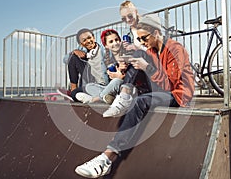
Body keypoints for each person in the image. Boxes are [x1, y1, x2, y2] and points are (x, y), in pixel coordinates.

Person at [74, 14, 195, 178]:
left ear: (156, 32)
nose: (143, 42)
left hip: (179, 94)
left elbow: (170, 85)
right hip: (159, 88)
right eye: (140, 39)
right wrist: (126, 67)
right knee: (138, 56)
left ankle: (106, 159)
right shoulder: (151, 51)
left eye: (144, 38)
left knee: (140, 102)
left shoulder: (175, 49)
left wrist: (148, 68)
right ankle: (124, 95)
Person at [75, 29, 128, 104]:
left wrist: (121, 76)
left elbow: (132, 79)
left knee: (117, 81)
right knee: (89, 86)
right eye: (111, 42)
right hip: (111, 89)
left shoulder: (126, 53)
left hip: (125, 88)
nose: (115, 43)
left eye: (117, 40)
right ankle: (108, 97)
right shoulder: (109, 59)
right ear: (106, 45)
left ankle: (94, 99)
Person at [57, 28, 110, 102]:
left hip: (103, 84)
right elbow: (65, 60)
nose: (88, 41)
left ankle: (75, 94)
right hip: (90, 81)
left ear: (93, 37)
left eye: (89, 38)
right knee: (73, 58)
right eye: (84, 40)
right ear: (81, 44)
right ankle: (73, 89)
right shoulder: (82, 51)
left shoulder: (103, 50)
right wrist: (75, 51)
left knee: (76, 94)